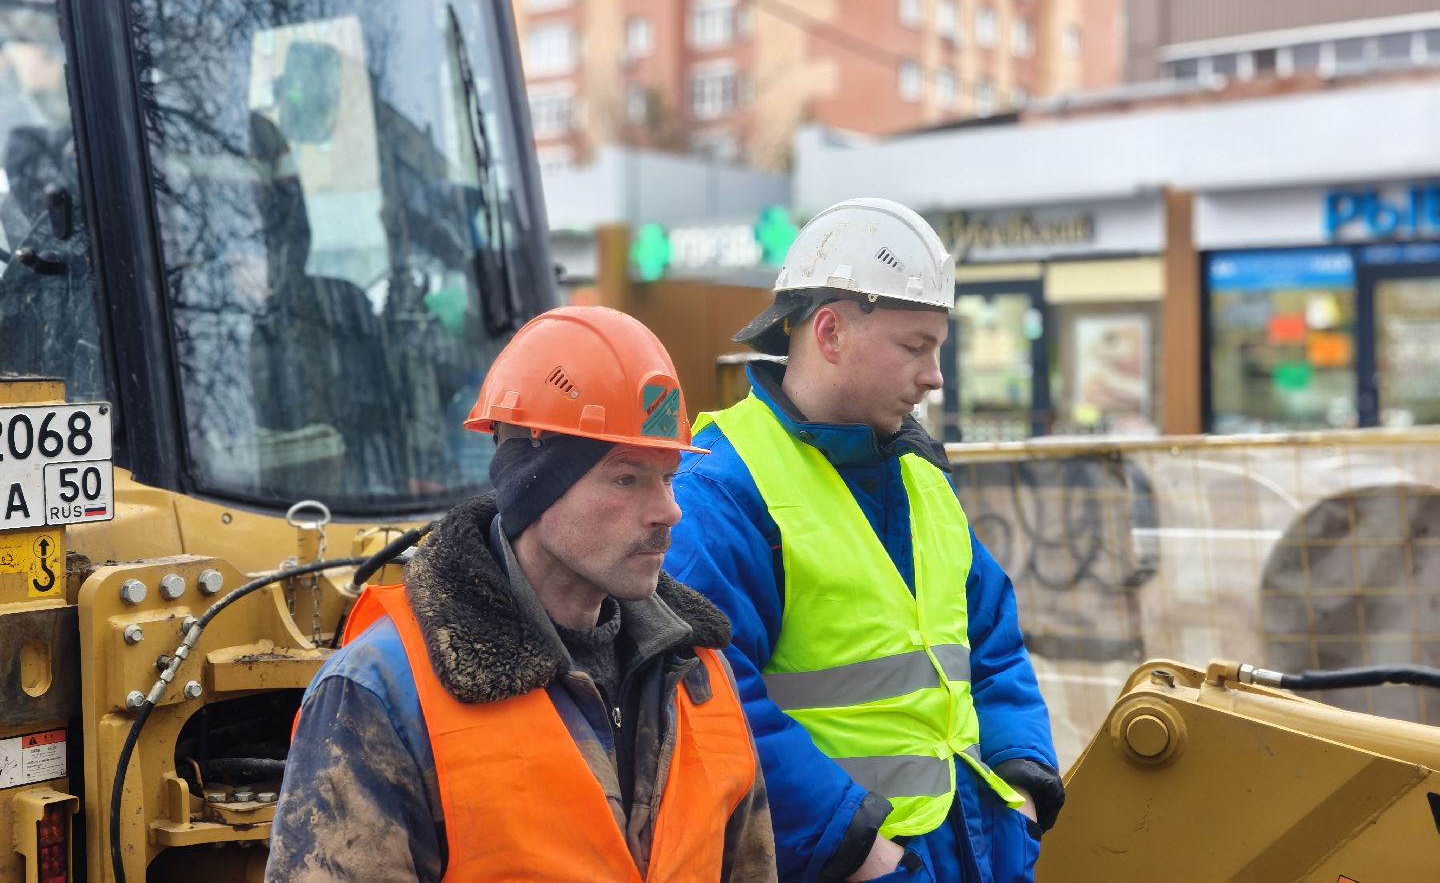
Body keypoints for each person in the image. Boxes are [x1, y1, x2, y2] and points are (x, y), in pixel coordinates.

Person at [268, 305, 776, 881]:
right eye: (626, 478)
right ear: (536, 486)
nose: (669, 511)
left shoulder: (700, 672)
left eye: (667, 477)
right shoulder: (381, 690)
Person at [666, 199, 1063, 882]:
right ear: (829, 333)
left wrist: (1022, 782)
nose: (935, 376)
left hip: (972, 848)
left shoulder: (918, 473)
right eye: (917, 347)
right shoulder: (725, 486)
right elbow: (714, 698)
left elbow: (991, 645)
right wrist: (854, 849)